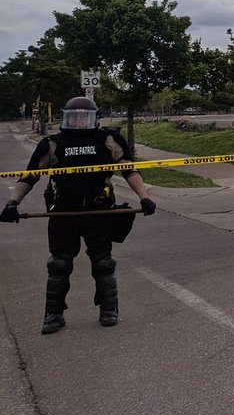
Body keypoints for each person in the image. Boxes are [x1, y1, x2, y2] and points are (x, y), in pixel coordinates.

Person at [1, 97, 157, 333]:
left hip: (98, 210)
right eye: (74, 117)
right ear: (65, 117)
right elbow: (30, 176)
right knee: (59, 264)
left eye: (84, 116)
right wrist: (12, 203)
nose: (79, 121)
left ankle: (109, 309)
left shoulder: (108, 140)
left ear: (94, 118)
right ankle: (53, 315)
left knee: (103, 263)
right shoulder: (52, 144)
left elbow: (129, 170)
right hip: (64, 212)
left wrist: (144, 197)